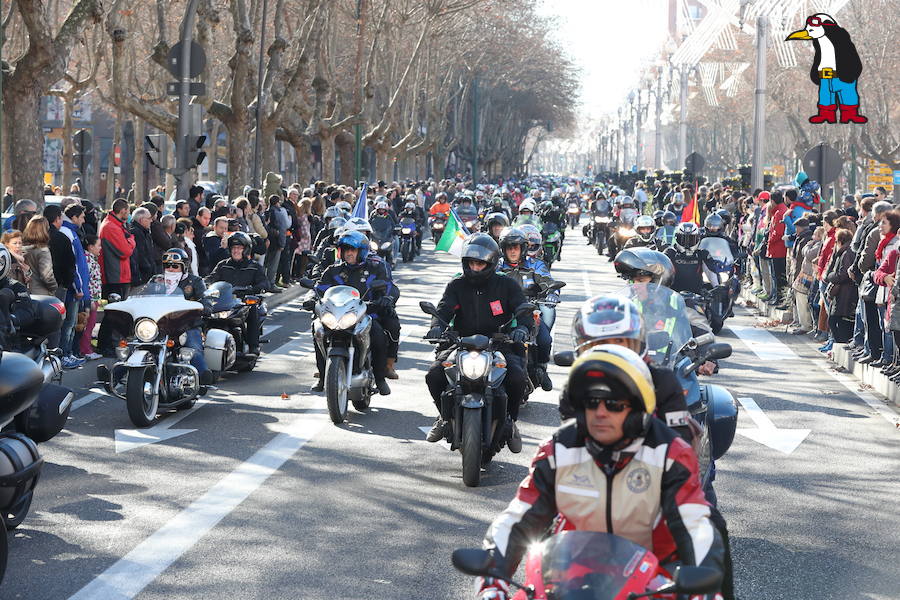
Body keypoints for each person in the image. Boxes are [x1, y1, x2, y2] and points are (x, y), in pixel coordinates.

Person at [476, 346, 725, 600]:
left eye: (614, 403)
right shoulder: (559, 449)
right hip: (570, 578)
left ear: (638, 408)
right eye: (592, 402)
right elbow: (518, 518)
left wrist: (704, 591)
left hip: (656, 580)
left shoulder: (670, 453)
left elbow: (696, 527)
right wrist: (491, 582)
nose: (600, 412)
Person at [424, 234, 533, 452]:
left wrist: (522, 328)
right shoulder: (456, 285)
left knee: (517, 377)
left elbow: (523, 310)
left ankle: (511, 421)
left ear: (491, 263)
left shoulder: (507, 285)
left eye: (480, 263)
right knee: (434, 374)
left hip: (499, 343)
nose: (475, 267)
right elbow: (444, 309)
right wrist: (436, 325)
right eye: (471, 263)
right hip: (462, 343)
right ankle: (444, 418)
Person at [309, 230, 397, 395]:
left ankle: (379, 378)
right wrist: (310, 299)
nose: (349, 253)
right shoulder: (332, 271)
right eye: (345, 249)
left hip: (367, 314)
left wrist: (386, 298)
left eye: (353, 249)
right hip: (338, 315)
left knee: (378, 335)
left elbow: (389, 287)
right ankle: (322, 375)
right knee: (317, 330)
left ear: (361, 251)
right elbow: (318, 289)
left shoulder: (375, 268)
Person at [141, 249, 214, 385]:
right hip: (159, 326)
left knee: (193, 348)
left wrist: (204, 306)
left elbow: (206, 300)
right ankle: (115, 377)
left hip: (186, 326)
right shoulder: (156, 280)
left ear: (184, 266)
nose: (171, 269)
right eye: (167, 265)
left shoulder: (195, 281)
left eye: (175, 266)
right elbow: (142, 296)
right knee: (137, 345)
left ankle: (203, 378)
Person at [497, 227, 557, 391]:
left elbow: (548, 282)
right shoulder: (497, 266)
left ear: (523, 248)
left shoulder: (535, 265)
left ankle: (541, 368)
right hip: (501, 313)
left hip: (530, 312)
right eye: (509, 247)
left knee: (544, 339)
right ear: (503, 248)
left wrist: (552, 293)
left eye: (516, 247)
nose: (513, 251)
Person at [205, 232, 268, 355]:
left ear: (246, 250)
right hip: (225, 301)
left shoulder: (254, 267)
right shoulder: (223, 265)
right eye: (234, 248)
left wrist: (251, 289)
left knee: (252, 308)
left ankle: (253, 345)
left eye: (239, 248)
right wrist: (204, 284)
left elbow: (264, 283)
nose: (236, 251)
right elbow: (211, 278)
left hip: (243, 301)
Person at [664, 222, 716, 296]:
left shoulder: (703, 254)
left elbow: (712, 274)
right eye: (683, 239)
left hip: (698, 298)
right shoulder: (670, 253)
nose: (687, 244)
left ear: (698, 238)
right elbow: (661, 273)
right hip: (673, 298)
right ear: (677, 238)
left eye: (691, 239)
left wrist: (718, 288)